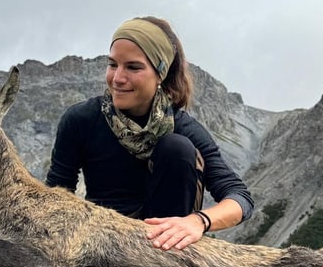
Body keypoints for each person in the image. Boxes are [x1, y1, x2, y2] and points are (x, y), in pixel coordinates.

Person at [46, 16, 254, 251]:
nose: (118, 78)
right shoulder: (81, 119)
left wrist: (198, 221)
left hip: (161, 243)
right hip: (101, 239)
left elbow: (240, 197)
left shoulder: (182, 126)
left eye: (133, 67)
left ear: (160, 74)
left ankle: (169, 264)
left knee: (177, 148)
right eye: (113, 64)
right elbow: (57, 194)